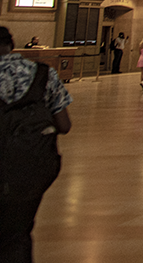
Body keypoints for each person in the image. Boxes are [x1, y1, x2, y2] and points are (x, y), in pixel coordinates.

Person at [0, 25, 72, 263]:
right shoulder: (41, 73)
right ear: (11, 46)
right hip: (29, 167)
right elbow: (64, 125)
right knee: (18, 233)